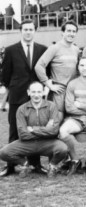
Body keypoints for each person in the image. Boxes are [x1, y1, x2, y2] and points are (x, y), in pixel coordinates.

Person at [0, 19, 47, 177]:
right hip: (17, 97)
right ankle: (11, 166)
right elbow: (5, 76)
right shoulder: (11, 50)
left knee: (35, 131)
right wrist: (15, 87)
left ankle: (36, 164)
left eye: (31, 29)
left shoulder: (42, 49)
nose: (28, 32)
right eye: (25, 29)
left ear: (35, 31)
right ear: (21, 31)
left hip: (36, 98)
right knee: (14, 131)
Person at [0, 82, 68, 178]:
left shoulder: (51, 106)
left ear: (43, 92)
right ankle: (25, 163)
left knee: (63, 148)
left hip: (47, 142)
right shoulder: (21, 109)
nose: (36, 95)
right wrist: (45, 130)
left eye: (39, 92)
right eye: (33, 92)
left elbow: (54, 131)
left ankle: (52, 166)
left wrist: (32, 129)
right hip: (27, 143)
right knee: (4, 152)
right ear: (28, 92)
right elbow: (22, 134)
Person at [59, 57, 86, 177]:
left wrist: (80, 105)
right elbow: (69, 107)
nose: (85, 68)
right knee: (63, 131)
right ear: (78, 67)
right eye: (82, 65)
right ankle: (75, 160)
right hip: (75, 118)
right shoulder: (72, 84)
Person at [35, 20, 80, 120]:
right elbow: (39, 66)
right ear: (62, 32)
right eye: (68, 31)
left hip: (72, 91)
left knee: (70, 122)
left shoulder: (76, 49)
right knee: (56, 122)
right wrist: (48, 84)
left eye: (74, 31)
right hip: (59, 91)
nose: (71, 34)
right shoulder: (54, 48)